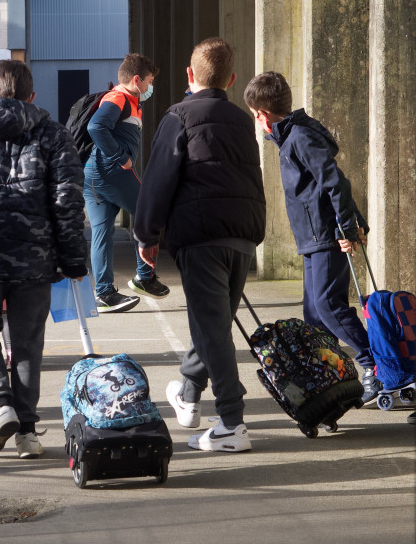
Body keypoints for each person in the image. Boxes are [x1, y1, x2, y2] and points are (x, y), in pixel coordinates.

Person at [0, 59, 87, 459]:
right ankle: (27, 432)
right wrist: (74, 258)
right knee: (27, 344)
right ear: (32, 96)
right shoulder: (53, 134)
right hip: (34, 257)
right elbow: (68, 201)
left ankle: (0, 404)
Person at [134, 38, 266, 453]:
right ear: (231, 78)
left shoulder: (179, 116)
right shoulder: (243, 121)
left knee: (212, 328)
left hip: (201, 236)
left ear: (189, 76)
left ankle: (232, 422)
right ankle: (189, 391)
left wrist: (147, 235)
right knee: (214, 325)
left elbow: (158, 179)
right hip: (242, 236)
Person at [244, 71, 380, 404]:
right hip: (312, 238)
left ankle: (375, 369)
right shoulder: (289, 138)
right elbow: (328, 183)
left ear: (262, 114)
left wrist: (348, 229)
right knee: (314, 317)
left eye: (255, 117)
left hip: (326, 237)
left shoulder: (300, 138)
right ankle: (333, 379)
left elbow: (336, 184)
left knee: (329, 307)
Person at [84, 54, 170, 313]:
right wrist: (121, 158)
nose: (151, 87)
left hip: (93, 175)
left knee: (101, 233)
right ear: (136, 80)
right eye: (150, 81)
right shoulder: (119, 98)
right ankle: (144, 277)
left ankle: (104, 294)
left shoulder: (127, 99)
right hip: (113, 173)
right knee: (148, 214)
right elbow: (95, 127)